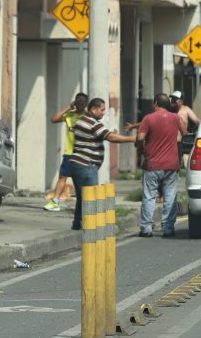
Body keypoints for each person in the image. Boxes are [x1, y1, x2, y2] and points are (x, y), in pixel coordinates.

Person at [68, 97, 136, 231]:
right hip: (86, 165)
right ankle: (90, 226)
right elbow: (111, 137)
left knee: (83, 197)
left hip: (78, 164)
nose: (103, 113)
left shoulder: (83, 120)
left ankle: (78, 224)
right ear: (93, 109)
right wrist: (133, 138)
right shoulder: (92, 123)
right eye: (102, 110)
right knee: (91, 197)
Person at [136, 93, 187, 238]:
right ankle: (168, 228)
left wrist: (142, 147)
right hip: (171, 164)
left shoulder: (148, 118)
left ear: (155, 103)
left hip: (152, 164)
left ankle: (146, 228)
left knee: (149, 196)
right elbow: (185, 133)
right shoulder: (176, 118)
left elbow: (140, 137)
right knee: (170, 196)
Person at [42, 93, 87, 212]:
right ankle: (55, 201)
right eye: (79, 102)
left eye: (83, 102)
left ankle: (84, 203)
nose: (81, 104)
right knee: (62, 177)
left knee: (81, 179)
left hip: (83, 153)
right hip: (69, 152)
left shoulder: (88, 116)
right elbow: (53, 119)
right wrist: (68, 108)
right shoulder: (69, 115)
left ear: (86, 104)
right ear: (75, 103)